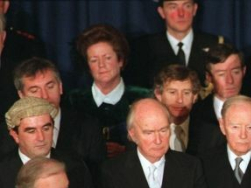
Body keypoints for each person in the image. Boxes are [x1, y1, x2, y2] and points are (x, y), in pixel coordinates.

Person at [68, 24, 151, 158]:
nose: (101, 65)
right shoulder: (73, 101)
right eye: (94, 60)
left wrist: (126, 150)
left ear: (120, 61)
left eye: (107, 58)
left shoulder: (144, 98)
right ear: (88, 67)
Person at [10, 57, 106, 170]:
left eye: (50, 87)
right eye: (35, 90)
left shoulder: (88, 127)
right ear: (21, 95)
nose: (44, 96)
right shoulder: (5, 135)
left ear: (60, 87)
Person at [127, 0, 222, 90]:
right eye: (173, 7)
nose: (181, 14)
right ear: (162, 12)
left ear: (194, 9)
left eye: (187, 6)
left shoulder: (216, 45)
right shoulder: (142, 48)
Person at [187, 43, 245, 155]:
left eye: (235, 72)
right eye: (221, 74)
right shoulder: (195, 113)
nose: (230, 81)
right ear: (209, 77)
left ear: (244, 71)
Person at [154, 64, 201, 152]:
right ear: (158, 94)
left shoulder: (211, 135)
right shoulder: (146, 133)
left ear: (195, 96)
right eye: (172, 92)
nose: (180, 100)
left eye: (186, 93)